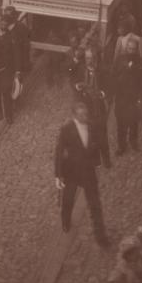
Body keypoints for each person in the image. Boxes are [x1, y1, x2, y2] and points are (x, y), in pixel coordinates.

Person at [54, 99, 110, 247]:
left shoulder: (92, 126)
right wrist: (58, 175)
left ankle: (101, 236)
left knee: (95, 205)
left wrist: (103, 160)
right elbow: (59, 152)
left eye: (86, 113)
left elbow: (101, 143)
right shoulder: (67, 129)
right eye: (81, 115)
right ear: (74, 116)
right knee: (68, 201)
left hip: (88, 172)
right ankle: (66, 221)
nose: (85, 117)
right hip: (71, 172)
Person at [111, 37, 142, 155]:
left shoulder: (141, 62)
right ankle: (121, 145)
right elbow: (113, 76)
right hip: (121, 98)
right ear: (126, 48)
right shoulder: (119, 60)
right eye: (129, 48)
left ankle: (133, 141)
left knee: (133, 122)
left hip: (134, 98)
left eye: (133, 49)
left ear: (137, 50)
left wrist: (141, 99)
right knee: (121, 123)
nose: (131, 51)